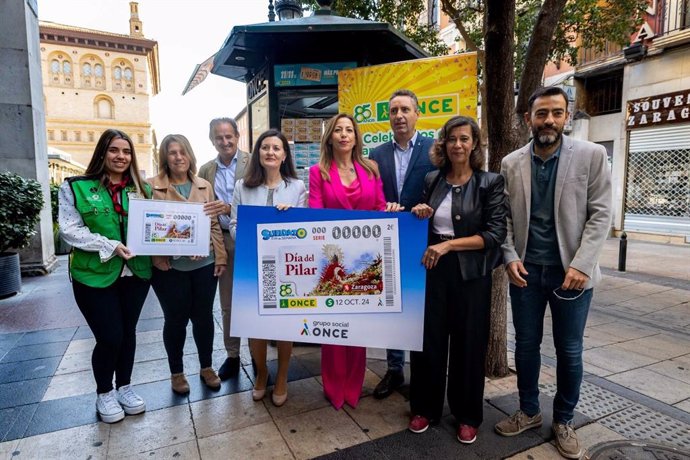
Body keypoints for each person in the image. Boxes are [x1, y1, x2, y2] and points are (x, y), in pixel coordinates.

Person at [495, 86, 612, 459]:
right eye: (541, 113)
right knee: (526, 347)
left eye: (556, 113)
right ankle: (529, 411)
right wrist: (509, 256)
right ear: (528, 118)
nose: (548, 120)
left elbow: (601, 214)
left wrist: (581, 264)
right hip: (525, 274)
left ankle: (563, 419)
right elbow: (505, 219)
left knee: (569, 351)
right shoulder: (511, 163)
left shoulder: (592, 156)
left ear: (567, 116)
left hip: (571, 276)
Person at [408, 116, 506, 443]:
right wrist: (420, 212)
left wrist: (448, 245)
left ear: (474, 144)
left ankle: (467, 415)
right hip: (434, 271)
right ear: (444, 144)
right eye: (452, 139)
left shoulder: (489, 182)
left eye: (465, 139)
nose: (458, 145)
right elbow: (425, 221)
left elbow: (493, 234)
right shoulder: (432, 179)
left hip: (470, 274)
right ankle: (424, 408)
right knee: (429, 342)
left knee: (468, 344)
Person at [58, 129, 151, 423]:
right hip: (93, 275)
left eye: (126, 152)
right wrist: (110, 246)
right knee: (110, 336)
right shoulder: (75, 187)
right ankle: (104, 393)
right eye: (114, 150)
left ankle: (124, 386)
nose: (121, 157)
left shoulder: (142, 189)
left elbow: (157, 225)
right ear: (102, 152)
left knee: (128, 334)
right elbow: (70, 231)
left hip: (136, 273)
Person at [308, 113, 392, 410]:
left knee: (357, 325)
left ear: (356, 137)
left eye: (349, 130)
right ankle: (333, 387)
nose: (344, 135)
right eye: (338, 130)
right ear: (329, 137)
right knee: (332, 325)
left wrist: (389, 211)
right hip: (333, 260)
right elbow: (315, 213)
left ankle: (353, 386)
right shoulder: (318, 172)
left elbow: (380, 207)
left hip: (366, 260)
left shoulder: (371, 168)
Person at [229, 129, 307, 407]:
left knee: (285, 326)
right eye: (265, 148)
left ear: (284, 155)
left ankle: (283, 377)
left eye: (276, 148)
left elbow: (304, 231)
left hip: (286, 267)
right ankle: (262, 374)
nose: (270, 152)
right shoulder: (242, 186)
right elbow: (234, 225)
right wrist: (252, 233)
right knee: (255, 325)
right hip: (252, 266)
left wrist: (293, 219)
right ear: (258, 154)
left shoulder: (297, 187)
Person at [368, 89, 436, 400]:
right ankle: (394, 369)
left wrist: (425, 206)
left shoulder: (434, 149)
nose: (399, 115)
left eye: (405, 109)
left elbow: (441, 191)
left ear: (417, 114)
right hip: (386, 241)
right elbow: (371, 197)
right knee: (391, 305)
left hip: (423, 239)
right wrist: (383, 207)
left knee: (420, 304)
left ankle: (423, 371)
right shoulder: (377, 154)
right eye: (394, 110)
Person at [148, 134, 226, 394]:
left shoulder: (204, 185)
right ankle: (177, 373)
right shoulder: (151, 187)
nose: (178, 157)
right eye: (172, 152)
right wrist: (157, 257)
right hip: (169, 269)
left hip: (205, 264)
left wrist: (220, 257)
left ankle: (206, 367)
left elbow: (214, 223)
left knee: (204, 317)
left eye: (183, 152)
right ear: (165, 157)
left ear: (190, 155)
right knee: (175, 320)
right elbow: (149, 228)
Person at [198, 118, 251, 380]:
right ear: (212, 140)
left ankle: (258, 354)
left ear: (237, 136)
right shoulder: (206, 170)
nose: (225, 141)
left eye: (229, 136)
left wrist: (231, 209)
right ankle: (233, 355)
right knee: (228, 302)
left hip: (253, 238)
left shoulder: (254, 162)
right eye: (219, 137)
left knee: (257, 299)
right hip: (224, 242)